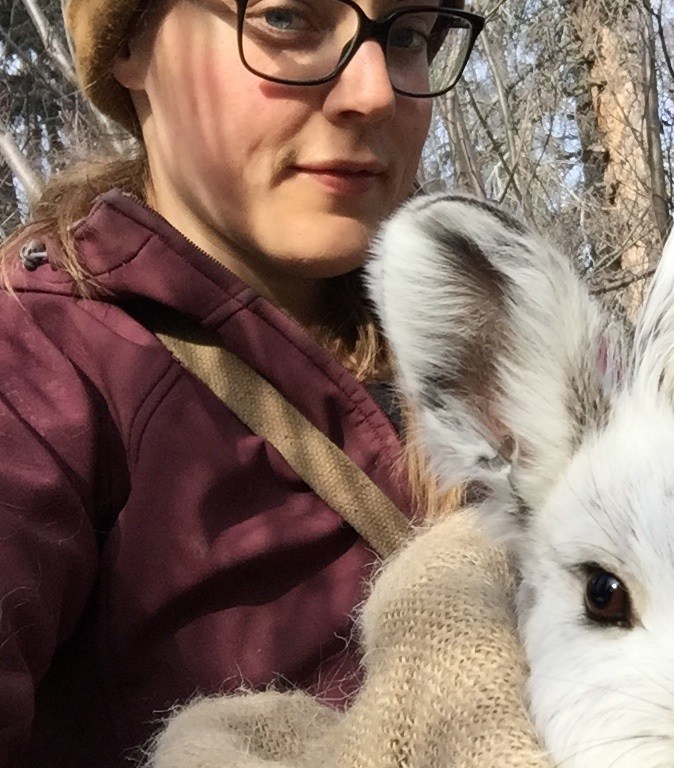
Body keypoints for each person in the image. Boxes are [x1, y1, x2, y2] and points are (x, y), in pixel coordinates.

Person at [0, 1, 484, 765]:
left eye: (408, 36)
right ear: (130, 48)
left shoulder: (491, 339)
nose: (373, 93)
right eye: (287, 20)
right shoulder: (38, 371)